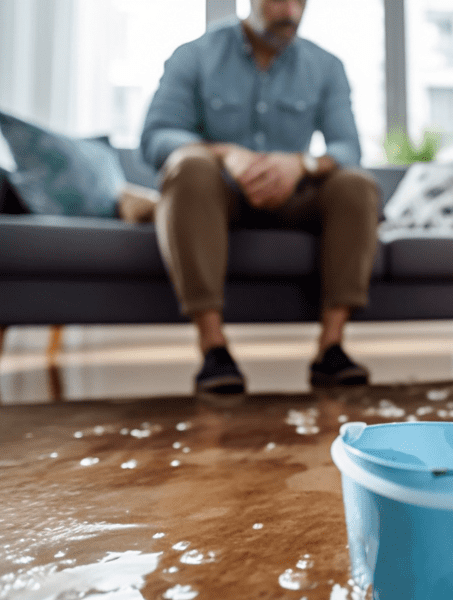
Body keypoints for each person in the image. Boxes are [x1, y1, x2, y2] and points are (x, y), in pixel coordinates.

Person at [140, 0, 379, 394]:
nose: (291, 11)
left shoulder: (326, 66)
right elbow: (157, 137)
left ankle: (331, 348)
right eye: (278, 0)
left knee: (356, 183)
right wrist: (226, 153)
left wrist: (301, 163)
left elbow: (347, 147)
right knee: (188, 166)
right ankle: (214, 348)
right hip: (217, 196)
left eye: (300, 2)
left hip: (293, 196)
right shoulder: (193, 55)